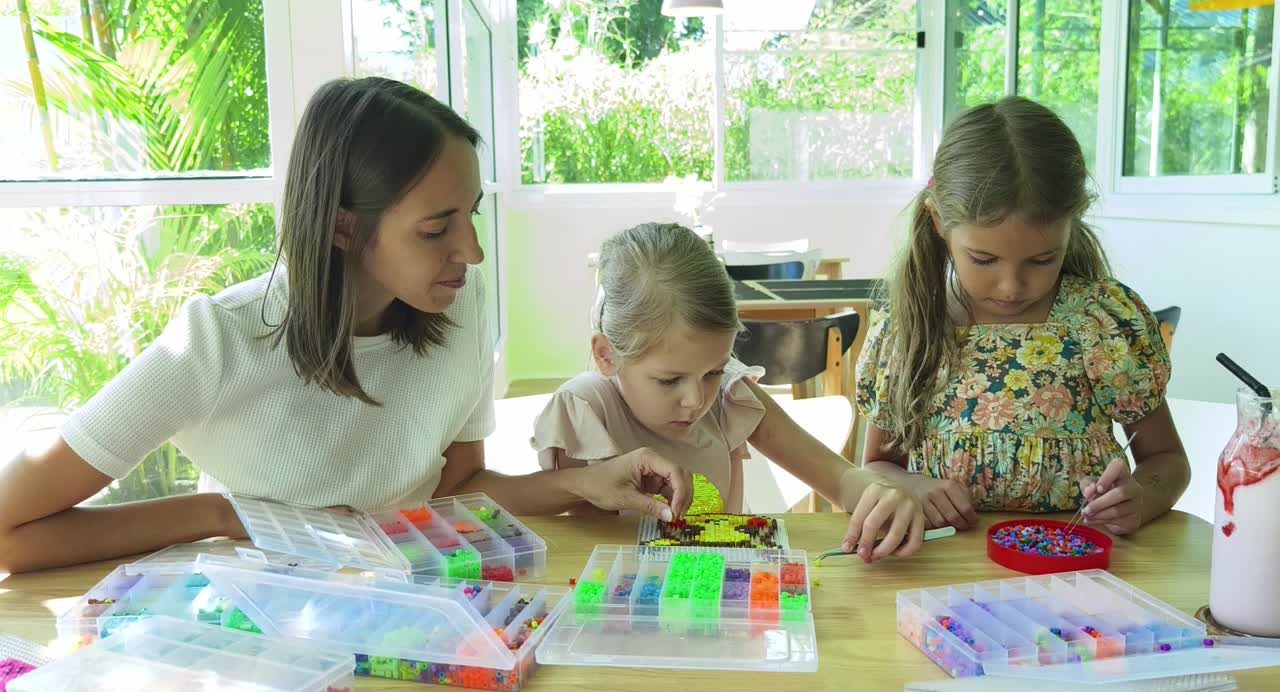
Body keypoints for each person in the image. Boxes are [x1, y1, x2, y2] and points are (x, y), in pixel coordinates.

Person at [0, 78, 693, 574]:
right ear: (342, 225)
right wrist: (218, 516)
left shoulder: (463, 300)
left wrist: (587, 481)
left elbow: (456, 489)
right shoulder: (216, 341)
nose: (473, 252)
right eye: (436, 228)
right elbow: (9, 530)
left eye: (471, 213)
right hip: (273, 626)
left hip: (413, 600)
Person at [856, 96, 1189, 536]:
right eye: (983, 259)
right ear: (939, 221)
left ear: (1072, 224)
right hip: (946, 570)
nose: (1011, 286)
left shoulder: (1098, 324)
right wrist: (911, 487)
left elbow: (1167, 461)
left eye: (1041, 260)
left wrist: (1140, 497)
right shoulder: (913, 329)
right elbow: (878, 466)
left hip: (1081, 571)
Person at [533, 222, 925, 561]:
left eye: (714, 371)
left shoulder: (728, 394)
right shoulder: (584, 410)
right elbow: (575, 546)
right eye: (669, 380)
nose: (696, 399)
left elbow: (840, 479)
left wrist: (881, 494)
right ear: (606, 355)